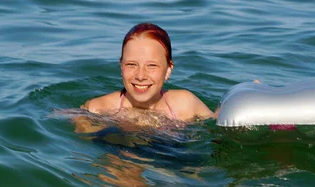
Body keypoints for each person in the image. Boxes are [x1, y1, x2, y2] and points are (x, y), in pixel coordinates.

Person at [75, 23, 214, 132]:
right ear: (121, 66)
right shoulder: (98, 110)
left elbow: (219, 125)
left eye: (151, 66)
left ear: (168, 70)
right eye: (131, 64)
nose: (140, 76)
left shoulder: (186, 103)